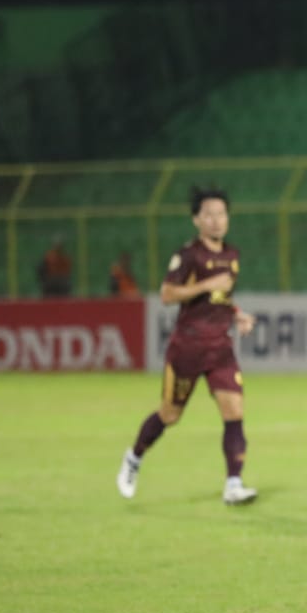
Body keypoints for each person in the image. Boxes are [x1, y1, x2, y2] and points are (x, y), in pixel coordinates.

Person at [117, 187, 258, 505]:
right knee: (170, 415)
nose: (216, 220)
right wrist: (209, 283)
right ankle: (134, 457)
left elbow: (220, 299)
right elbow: (167, 294)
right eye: (208, 214)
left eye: (221, 214)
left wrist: (237, 315)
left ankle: (233, 483)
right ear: (196, 220)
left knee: (234, 410)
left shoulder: (231, 255)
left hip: (220, 348)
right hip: (188, 348)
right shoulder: (189, 255)